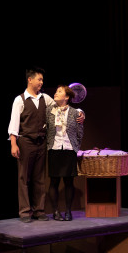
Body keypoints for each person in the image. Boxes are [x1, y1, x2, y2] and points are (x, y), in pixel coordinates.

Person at [8, 67, 84, 223]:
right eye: (39, 79)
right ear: (30, 80)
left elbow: (62, 106)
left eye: (42, 80)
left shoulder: (45, 98)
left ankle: (39, 210)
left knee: (39, 178)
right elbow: (13, 124)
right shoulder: (20, 100)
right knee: (24, 178)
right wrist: (13, 144)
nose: (41, 82)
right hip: (26, 141)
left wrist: (81, 112)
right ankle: (25, 212)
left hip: (41, 143)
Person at [46, 85, 84, 221]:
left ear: (67, 97)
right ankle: (55, 211)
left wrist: (75, 147)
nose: (56, 93)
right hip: (54, 149)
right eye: (56, 91)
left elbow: (80, 132)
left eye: (59, 91)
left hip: (69, 150)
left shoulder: (75, 113)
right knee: (54, 181)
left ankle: (68, 211)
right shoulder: (49, 110)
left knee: (69, 182)